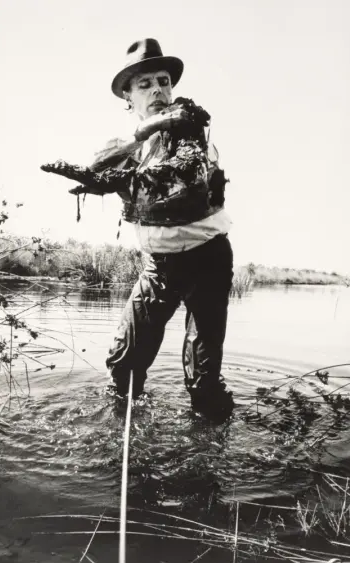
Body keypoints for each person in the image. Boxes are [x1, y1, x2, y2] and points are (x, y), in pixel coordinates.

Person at [94, 38, 234, 423]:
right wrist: (147, 130)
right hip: (159, 266)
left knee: (203, 381)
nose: (158, 89)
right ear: (128, 95)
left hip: (209, 259)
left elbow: (189, 182)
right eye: (145, 84)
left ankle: (207, 456)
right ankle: (125, 435)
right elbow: (95, 166)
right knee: (124, 366)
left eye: (164, 81)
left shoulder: (189, 129)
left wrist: (165, 126)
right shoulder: (127, 143)